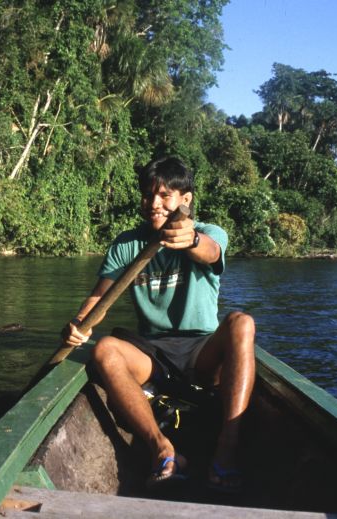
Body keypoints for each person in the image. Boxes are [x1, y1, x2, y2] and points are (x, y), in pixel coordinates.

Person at [62, 156, 255, 492]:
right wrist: (80, 323)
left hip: (201, 353)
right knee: (105, 349)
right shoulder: (127, 244)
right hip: (152, 355)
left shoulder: (209, 233)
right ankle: (162, 449)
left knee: (242, 323)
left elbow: (209, 252)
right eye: (148, 195)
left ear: (186, 200)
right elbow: (98, 298)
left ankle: (227, 447)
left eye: (165, 195)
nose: (153, 203)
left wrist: (191, 240)